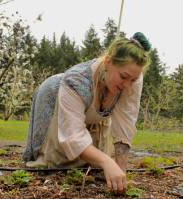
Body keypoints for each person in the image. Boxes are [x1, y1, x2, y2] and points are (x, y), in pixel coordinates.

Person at [23, 32, 151, 193]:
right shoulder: (76, 81)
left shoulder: (133, 78)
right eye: (124, 77)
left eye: (132, 80)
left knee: (94, 165)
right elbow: (73, 136)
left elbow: (126, 123)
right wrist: (107, 162)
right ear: (108, 62)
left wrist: (121, 172)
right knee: (53, 164)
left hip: (91, 108)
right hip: (54, 94)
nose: (127, 85)